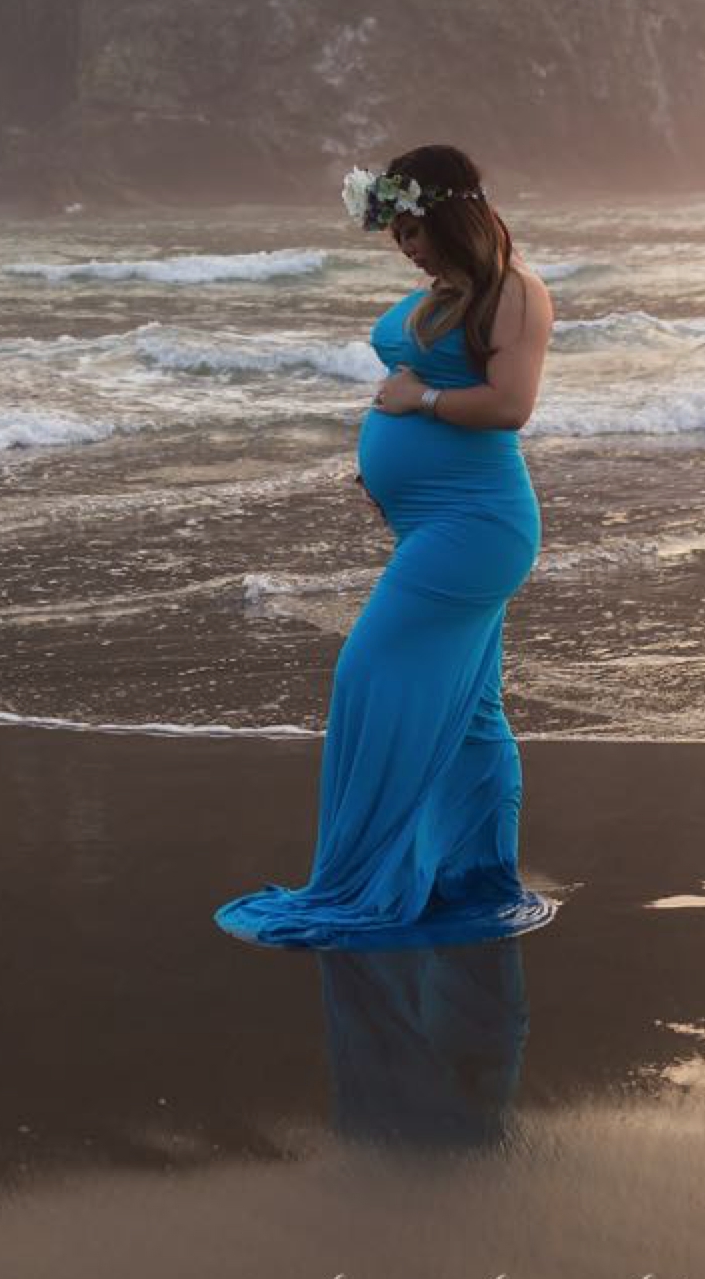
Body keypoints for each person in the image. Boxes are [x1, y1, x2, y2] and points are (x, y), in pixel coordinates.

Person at [214, 143, 557, 949]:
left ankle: (371, 875)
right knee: (473, 712)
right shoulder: (446, 294)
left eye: (412, 230)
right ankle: (472, 873)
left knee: (367, 671)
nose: (405, 247)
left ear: (451, 217)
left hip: (478, 527)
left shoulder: (517, 292)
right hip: (434, 521)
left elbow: (510, 405)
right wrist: (389, 470)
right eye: (396, 234)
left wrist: (422, 400)